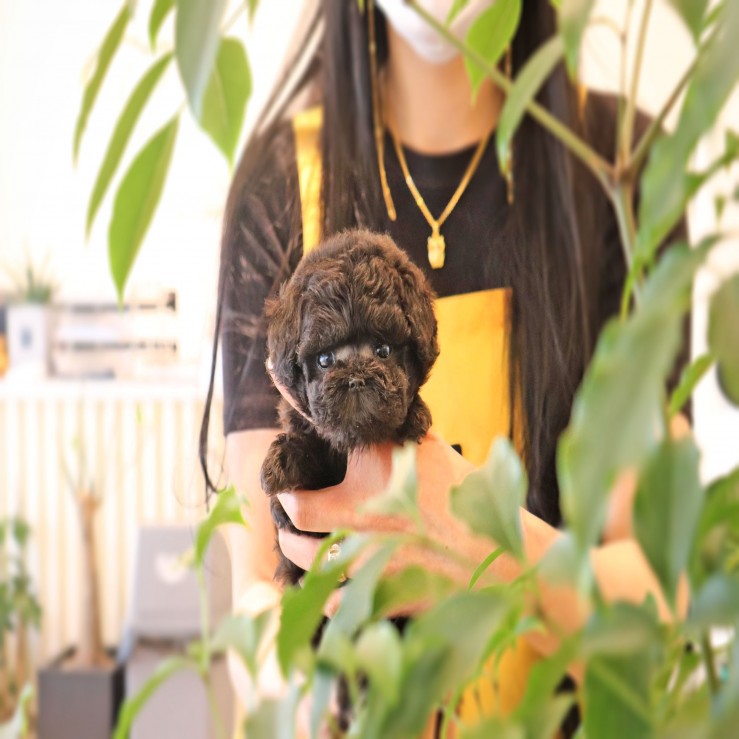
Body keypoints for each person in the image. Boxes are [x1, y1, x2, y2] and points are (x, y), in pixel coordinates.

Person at [200, 0, 689, 731]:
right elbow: (258, 584)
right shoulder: (280, 184)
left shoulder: (621, 168)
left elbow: (655, 611)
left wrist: (484, 547)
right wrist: (306, 699)